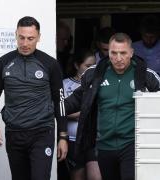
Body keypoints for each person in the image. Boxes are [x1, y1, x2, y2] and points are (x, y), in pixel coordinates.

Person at [65, 33, 160, 180]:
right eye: (114, 53)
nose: (118, 58)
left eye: (123, 53)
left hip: (132, 144)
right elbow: (75, 100)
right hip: (104, 145)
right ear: (108, 52)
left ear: (131, 52)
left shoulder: (146, 76)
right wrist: (48, 109)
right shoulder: (95, 74)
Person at [0, 16, 68, 180]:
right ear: (16, 35)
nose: (25, 43)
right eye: (21, 37)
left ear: (38, 37)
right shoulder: (4, 62)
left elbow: (60, 101)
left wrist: (63, 136)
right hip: (14, 133)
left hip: (42, 132)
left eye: (30, 38)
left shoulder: (49, 64)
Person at [64, 49, 101, 180]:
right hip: (73, 140)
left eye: (94, 65)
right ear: (76, 65)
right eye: (88, 66)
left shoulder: (98, 84)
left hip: (93, 140)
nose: (92, 69)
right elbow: (61, 110)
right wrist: (82, 113)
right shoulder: (64, 84)